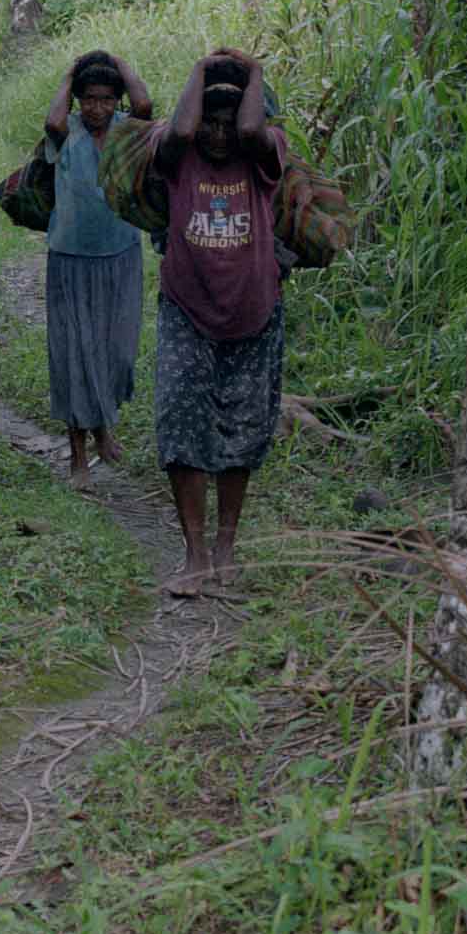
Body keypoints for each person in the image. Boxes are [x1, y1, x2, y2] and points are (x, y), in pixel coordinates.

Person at [151, 47, 286, 595]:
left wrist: (254, 71)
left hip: (254, 311)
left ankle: (226, 546)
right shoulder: (177, 156)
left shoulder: (265, 154)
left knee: (242, 430)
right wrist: (200, 70)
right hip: (187, 308)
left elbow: (252, 127)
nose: (219, 133)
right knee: (182, 424)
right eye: (210, 121)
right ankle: (195, 554)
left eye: (227, 123)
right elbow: (182, 129)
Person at [43, 49, 153, 487]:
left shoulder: (128, 130)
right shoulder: (66, 131)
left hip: (121, 254)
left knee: (117, 353)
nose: (97, 108)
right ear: (78, 100)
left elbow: (144, 104)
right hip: (70, 259)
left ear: (117, 100)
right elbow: (53, 119)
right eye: (89, 98)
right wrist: (70, 72)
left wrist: (120, 61)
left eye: (107, 99)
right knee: (74, 352)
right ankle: (77, 456)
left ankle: (104, 429)